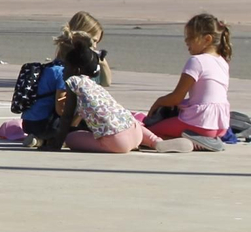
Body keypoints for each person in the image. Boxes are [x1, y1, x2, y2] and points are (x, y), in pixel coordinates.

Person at [47, 41, 189, 154]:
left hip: (117, 143)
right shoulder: (93, 86)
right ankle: (155, 141)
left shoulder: (74, 82)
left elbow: (66, 117)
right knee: (128, 121)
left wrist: (56, 144)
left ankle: (127, 143)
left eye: (65, 67)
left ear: (75, 70)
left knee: (71, 138)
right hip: (135, 131)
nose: (63, 71)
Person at [146, 14, 232, 139]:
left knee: (149, 132)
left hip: (200, 123)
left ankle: (193, 142)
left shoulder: (197, 61)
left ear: (207, 39)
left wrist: (158, 102)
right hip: (220, 126)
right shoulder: (222, 62)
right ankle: (204, 140)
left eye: (191, 37)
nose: (186, 41)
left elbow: (176, 97)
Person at [65, 11, 113, 86]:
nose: (95, 46)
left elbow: (106, 83)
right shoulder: (68, 56)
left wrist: (103, 63)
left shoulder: (91, 58)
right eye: (94, 41)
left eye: (97, 42)